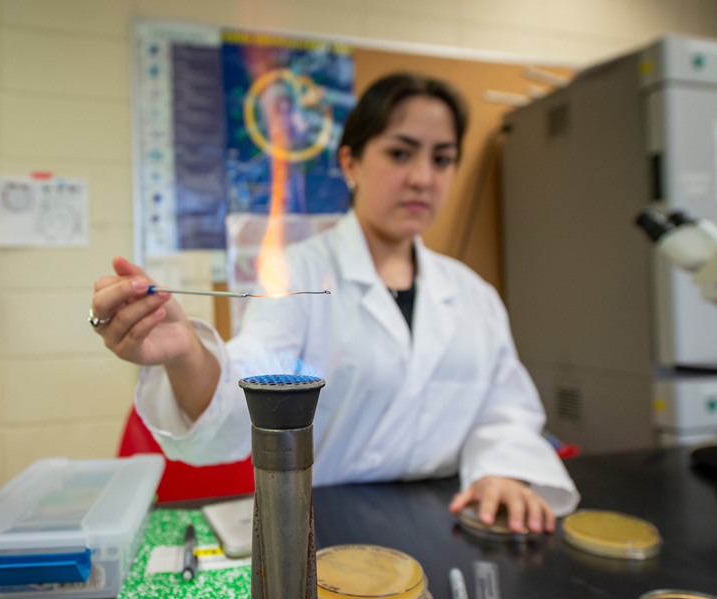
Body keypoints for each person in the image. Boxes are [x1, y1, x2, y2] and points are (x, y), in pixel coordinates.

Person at [91, 73, 579, 534]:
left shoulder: (474, 294)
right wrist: (188, 355)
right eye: (400, 153)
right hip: (327, 525)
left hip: (449, 518)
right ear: (350, 163)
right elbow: (252, 385)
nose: (423, 178)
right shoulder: (299, 272)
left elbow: (505, 410)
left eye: (442, 159)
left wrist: (503, 471)